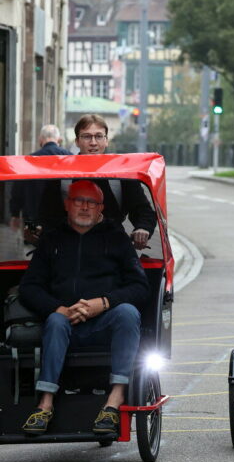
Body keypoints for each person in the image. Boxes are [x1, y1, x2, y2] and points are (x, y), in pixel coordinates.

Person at [18, 181, 150, 434]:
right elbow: (29, 287)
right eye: (79, 200)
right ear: (67, 204)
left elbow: (139, 287)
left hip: (104, 323)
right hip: (63, 324)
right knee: (55, 321)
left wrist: (103, 303)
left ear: (101, 208)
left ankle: (114, 400)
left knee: (128, 313)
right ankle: (44, 404)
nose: (85, 207)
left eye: (92, 203)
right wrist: (58, 308)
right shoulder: (52, 239)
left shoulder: (116, 237)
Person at [38, 114, 157, 248]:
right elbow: (47, 213)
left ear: (106, 140)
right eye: (87, 136)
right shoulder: (61, 172)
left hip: (113, 248)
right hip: (69, 248)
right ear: (77, 141)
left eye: (99, 136)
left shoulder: (122, 173)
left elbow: (142, 209)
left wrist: (142, 228)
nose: (93, 142)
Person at [10, 124, 72, 240]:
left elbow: (17, 190)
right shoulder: (69, 158)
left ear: (40, 139)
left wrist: (15, 213)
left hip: (34, 218)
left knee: (35, 251)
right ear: (58, 140)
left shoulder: (29, 160)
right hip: (63, 219)